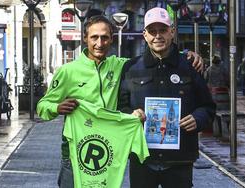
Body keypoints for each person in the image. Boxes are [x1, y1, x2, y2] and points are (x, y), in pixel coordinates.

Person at [37, 15, 203, 188]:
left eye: (105, 37)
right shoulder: (67, 71)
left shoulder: (122, 66)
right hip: (75, 154)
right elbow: (42, 107)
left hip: (109, 152)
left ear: (111, 40)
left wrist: (185, 56)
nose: (99, 43)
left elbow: (154, 58)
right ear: (85, 38)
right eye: (94, 37)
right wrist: (57, 107)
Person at [118, 7, 216, 188]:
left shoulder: (190, 66)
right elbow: (119, 108)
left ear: (172, 32)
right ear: (145, 35)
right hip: (143, 159)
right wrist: (130, 115)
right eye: (152, 31)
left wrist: (198, 118)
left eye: (162, 30)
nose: (158, 36)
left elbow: (208, 107)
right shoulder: (130, 68)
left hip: (180, 160)